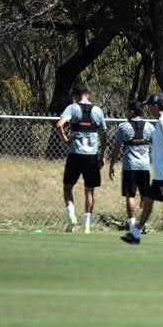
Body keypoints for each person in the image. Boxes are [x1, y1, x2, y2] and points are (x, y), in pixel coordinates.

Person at [120, 94, 163, 246]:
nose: (149, 109)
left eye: (150, 105)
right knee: (148, 201)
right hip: (160, 173)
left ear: (156, 106)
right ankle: (136, 233)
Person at [55, 84, 107, 233]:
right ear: (88, 95)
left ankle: (72, 216)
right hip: (91, 156)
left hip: (75, 154)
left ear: (75, 96)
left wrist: (65, 140)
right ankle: (87, 226)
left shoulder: (72, 108)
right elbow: (104, 135)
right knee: (89, 190)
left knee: (67, 188)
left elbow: (59, 125)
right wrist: (102, 155)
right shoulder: (97, 111)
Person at [107, 100, 153, 233]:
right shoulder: (150, 126)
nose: (126, 112)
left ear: (132, 111)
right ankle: (143, 224)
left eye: (128, 110)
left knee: (130, 195)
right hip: (144, 166)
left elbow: (116, 148)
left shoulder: (123, 127)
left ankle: (132, 224)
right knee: (145, 196)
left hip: (129, 167)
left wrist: (112, 165)